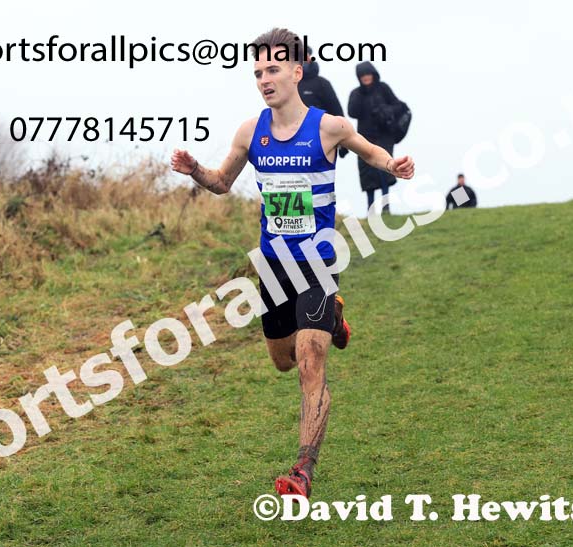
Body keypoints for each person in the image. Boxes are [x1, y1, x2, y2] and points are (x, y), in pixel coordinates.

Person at [171, 28, 415, 499]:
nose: (264, 79)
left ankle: (303, 470)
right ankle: (337, 319)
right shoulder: (250, 132)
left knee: (309, 361)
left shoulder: (330, 128)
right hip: (274, 267)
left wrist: (393, 166)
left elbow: (370, 150)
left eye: (273, 69)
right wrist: (195, 169)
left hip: (319, 263)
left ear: (296, 72)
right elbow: (222, 182)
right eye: (258, 71)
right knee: (283, 362)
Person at [348, 61, 408, 213]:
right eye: (362, 75)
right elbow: (352, 112)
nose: (366, 77)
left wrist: (384, 110)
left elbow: (399, 105)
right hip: (364, 138)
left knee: (385, 169)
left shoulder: (383, 88)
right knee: (367, 173)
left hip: (384, 136)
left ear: (373, 74)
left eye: (368, 74)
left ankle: (386, 206)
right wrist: (362, 95)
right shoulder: (356, 93)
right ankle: (370, 208)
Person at [298, 47, 349, 159]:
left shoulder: (323, 83)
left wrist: (343, 141)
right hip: (295, 137)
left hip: (322, 136)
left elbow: (336, 111)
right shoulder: (289, 84)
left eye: (305, 56)